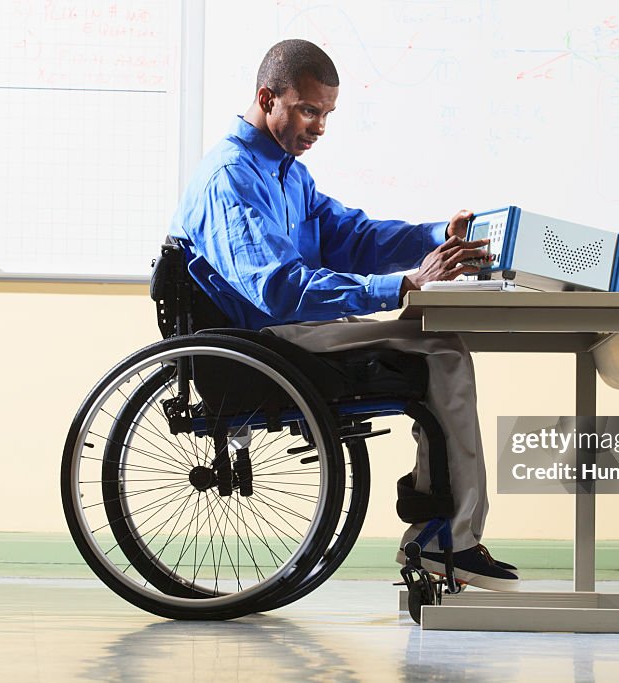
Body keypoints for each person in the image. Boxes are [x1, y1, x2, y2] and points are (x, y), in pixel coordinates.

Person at [168, 38, 518, 591]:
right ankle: (446, 537)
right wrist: (401, 285)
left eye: (327, 114)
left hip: (289, 330)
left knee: (432, 335)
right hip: (268, 340)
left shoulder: (286, 172)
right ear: (268, 99)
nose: (320, 127)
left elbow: (351, 238)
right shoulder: (232, 177)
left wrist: (435, 236)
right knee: (442, 350)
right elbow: (279, 288)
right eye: (309, 111)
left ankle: (440, 521)